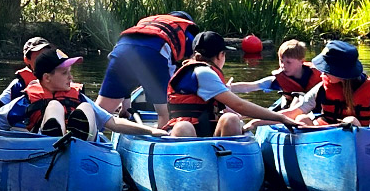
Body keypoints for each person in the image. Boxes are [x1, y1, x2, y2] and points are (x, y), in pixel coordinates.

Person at [0, 49, 166, 138]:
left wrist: (152, 130)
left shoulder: (79, 97)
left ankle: (77, 134)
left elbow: (113, 124)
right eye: (64, 73)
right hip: (45, 146)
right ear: (46, 77)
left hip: (79, 148)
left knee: (85, 109)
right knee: (53, 107)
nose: (71, 78)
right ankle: (55, 134)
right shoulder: (25, 100)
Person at [161, 32, 300, 137]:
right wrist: (280, 117)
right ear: (220, 55)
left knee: (230, 118)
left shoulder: (194, 70)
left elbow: (229, 109)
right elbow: (240, 106)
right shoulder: (204, 73)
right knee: (185, 127)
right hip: (186, 135)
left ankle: (229, 164)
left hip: (207, 132)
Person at [96, 11, 201, 127]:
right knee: (165, 112)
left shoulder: (149, 24)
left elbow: (126, 77)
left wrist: (126, 106)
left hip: (121, 50)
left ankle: (87, 135)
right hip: (154, 53)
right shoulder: (188, 33)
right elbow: (194, 66)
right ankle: (163, 138)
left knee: (100, 112)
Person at [282, 41, 370, 126]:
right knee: (301, 119)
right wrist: (266, 117)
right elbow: (294, 112)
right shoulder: (322, 87)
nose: (322, 74)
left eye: (326, 70)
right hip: (322, 137)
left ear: (340, 73)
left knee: (351, 121)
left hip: (357, 140)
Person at [226, 40, 321, 110]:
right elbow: (251, 86)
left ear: (301, 61)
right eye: (281, 61)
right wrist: (224, 89)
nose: (283, 65)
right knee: (297, 98)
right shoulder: (279, 79)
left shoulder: (318, 75)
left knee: (300, 97)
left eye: (288, 62)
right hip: (290, 108)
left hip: (315, 108)